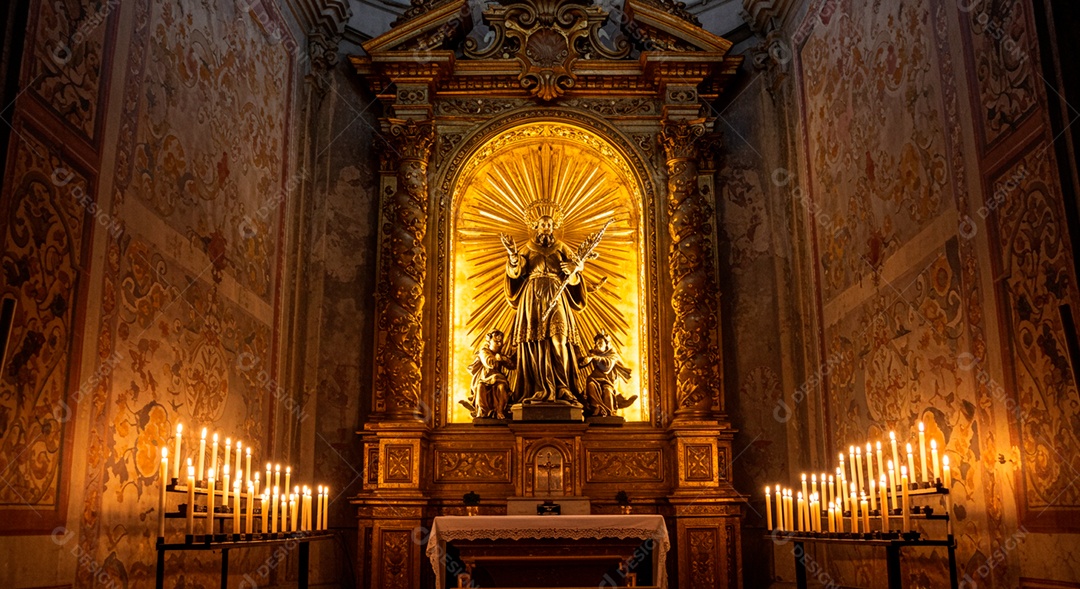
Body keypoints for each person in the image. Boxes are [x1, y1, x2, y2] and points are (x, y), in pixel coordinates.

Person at [500, 214, 587, 405]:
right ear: (536, 227)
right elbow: (516, 272)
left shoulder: (562, 247)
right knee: (535, 342)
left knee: (559, 340)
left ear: (553, 227)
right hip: (532, 297)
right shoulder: (528, 248)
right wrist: (513, 256)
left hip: (557, 294)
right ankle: (539, 387)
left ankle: (563, 387)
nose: (546, 227)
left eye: (549, 224)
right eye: (543, 224)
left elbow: (574, 276)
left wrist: (574, 269)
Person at [579, 331, 635, 417]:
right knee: (590, 385)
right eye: (596, 343)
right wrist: (586, 359)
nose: (598, 345)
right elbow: (581, 364)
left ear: (606, 344)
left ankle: (609, 413)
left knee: (607, 391)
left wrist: (595, 358)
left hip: (607, 381)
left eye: (600, 343)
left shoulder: (612, 354)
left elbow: (606, 368)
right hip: (594, 379)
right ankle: (596, 409)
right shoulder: (594, 354)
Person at [463, 330, 514, 419]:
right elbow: (489, 363)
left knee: (501, 387)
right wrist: (498, 359)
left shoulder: (499, 354)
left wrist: (503, 359)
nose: (500, 344)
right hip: (484, 378)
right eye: (496, 342)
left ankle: (500, 411)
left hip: (497, 378)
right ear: (489, 341)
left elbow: (511, 365)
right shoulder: (484, 351)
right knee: (480, 387)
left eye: (501, 342)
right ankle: (482, 412)